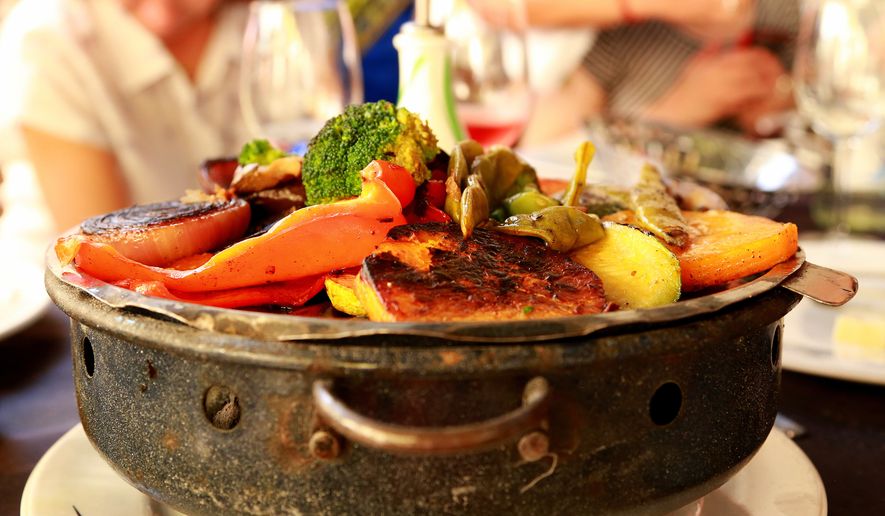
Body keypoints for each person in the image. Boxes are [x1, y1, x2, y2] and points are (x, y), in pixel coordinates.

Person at [0, 0, 253, 230]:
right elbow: (102, 250)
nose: (162, 8)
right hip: (55, 276)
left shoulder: (274, 19)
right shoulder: (50, 36)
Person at [507, 0, 799, 145]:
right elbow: (544, 154)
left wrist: (779, 105)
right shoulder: (609, 32)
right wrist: (676, 111)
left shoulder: (786, 16)